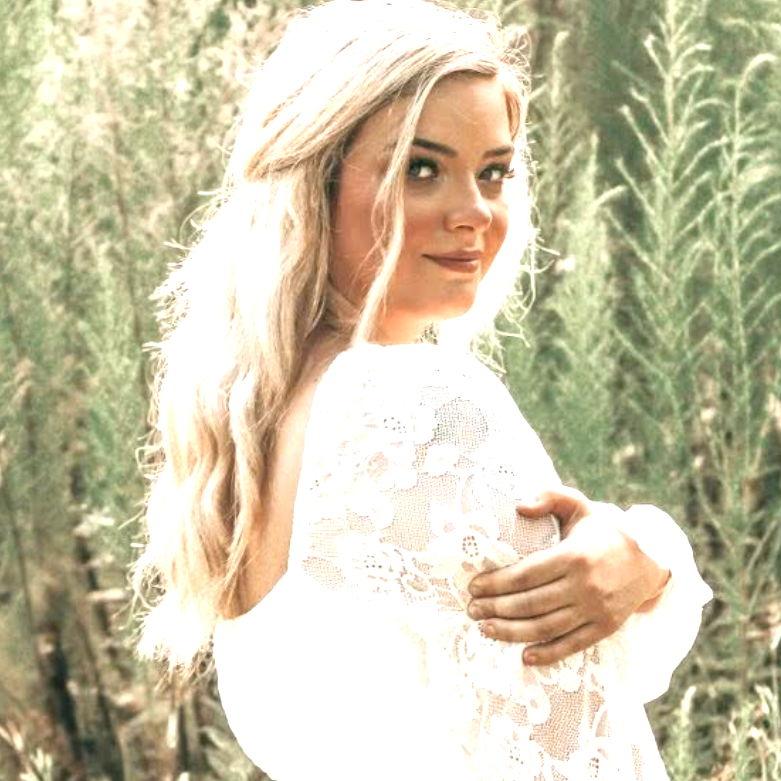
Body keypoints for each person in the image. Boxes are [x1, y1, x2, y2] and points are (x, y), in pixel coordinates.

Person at [130, 1, 713, 778]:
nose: (473, 212)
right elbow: (579, 752)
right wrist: (651, 558)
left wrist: (648, 558)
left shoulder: (248, 429)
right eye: (420, 168)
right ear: (314, 180)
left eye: (494, 172)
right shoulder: (410, 403)